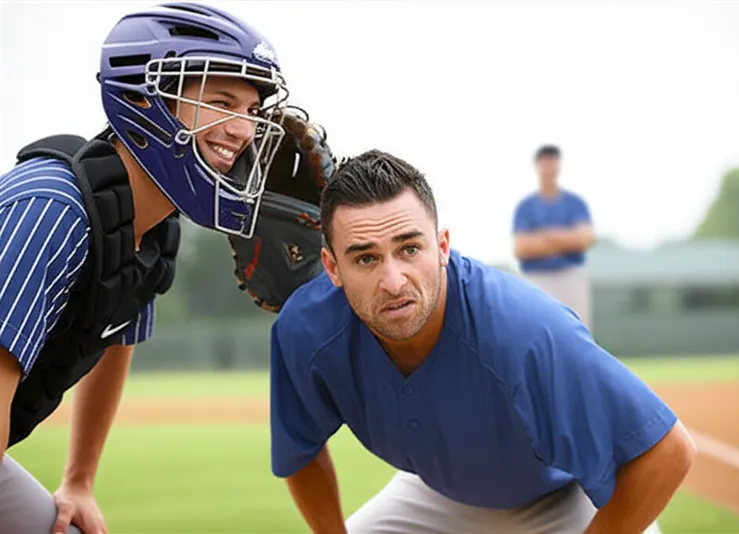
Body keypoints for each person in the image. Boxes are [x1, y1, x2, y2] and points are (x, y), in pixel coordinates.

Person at [269, 150, 697, 534]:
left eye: (410, 249)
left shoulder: (526, 332)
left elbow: (668, 452)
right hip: (437, 499)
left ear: (442, 246)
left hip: (565, 497)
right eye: (365, 258)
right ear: (331, 266)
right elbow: (300, 450)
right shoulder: (307, 330)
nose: (393, 281)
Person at [0, 3, 296, 533]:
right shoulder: (53, 209)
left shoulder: (151, 230)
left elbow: (113, 337)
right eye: (222, 102)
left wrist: (80, 479)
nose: (244, 130)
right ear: (142, 96)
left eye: (252, 110)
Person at [512, 144, 596, 331]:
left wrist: (544, 235)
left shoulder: (575, 203)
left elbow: (584, 239)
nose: (549, 168)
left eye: (553, 163)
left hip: (569, 276)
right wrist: (567, 239)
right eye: (545, 163)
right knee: (535, 330)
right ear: (537, 165)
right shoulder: (526, 207)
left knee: (577, 332)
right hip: (537, 277)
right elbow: (522, 248)